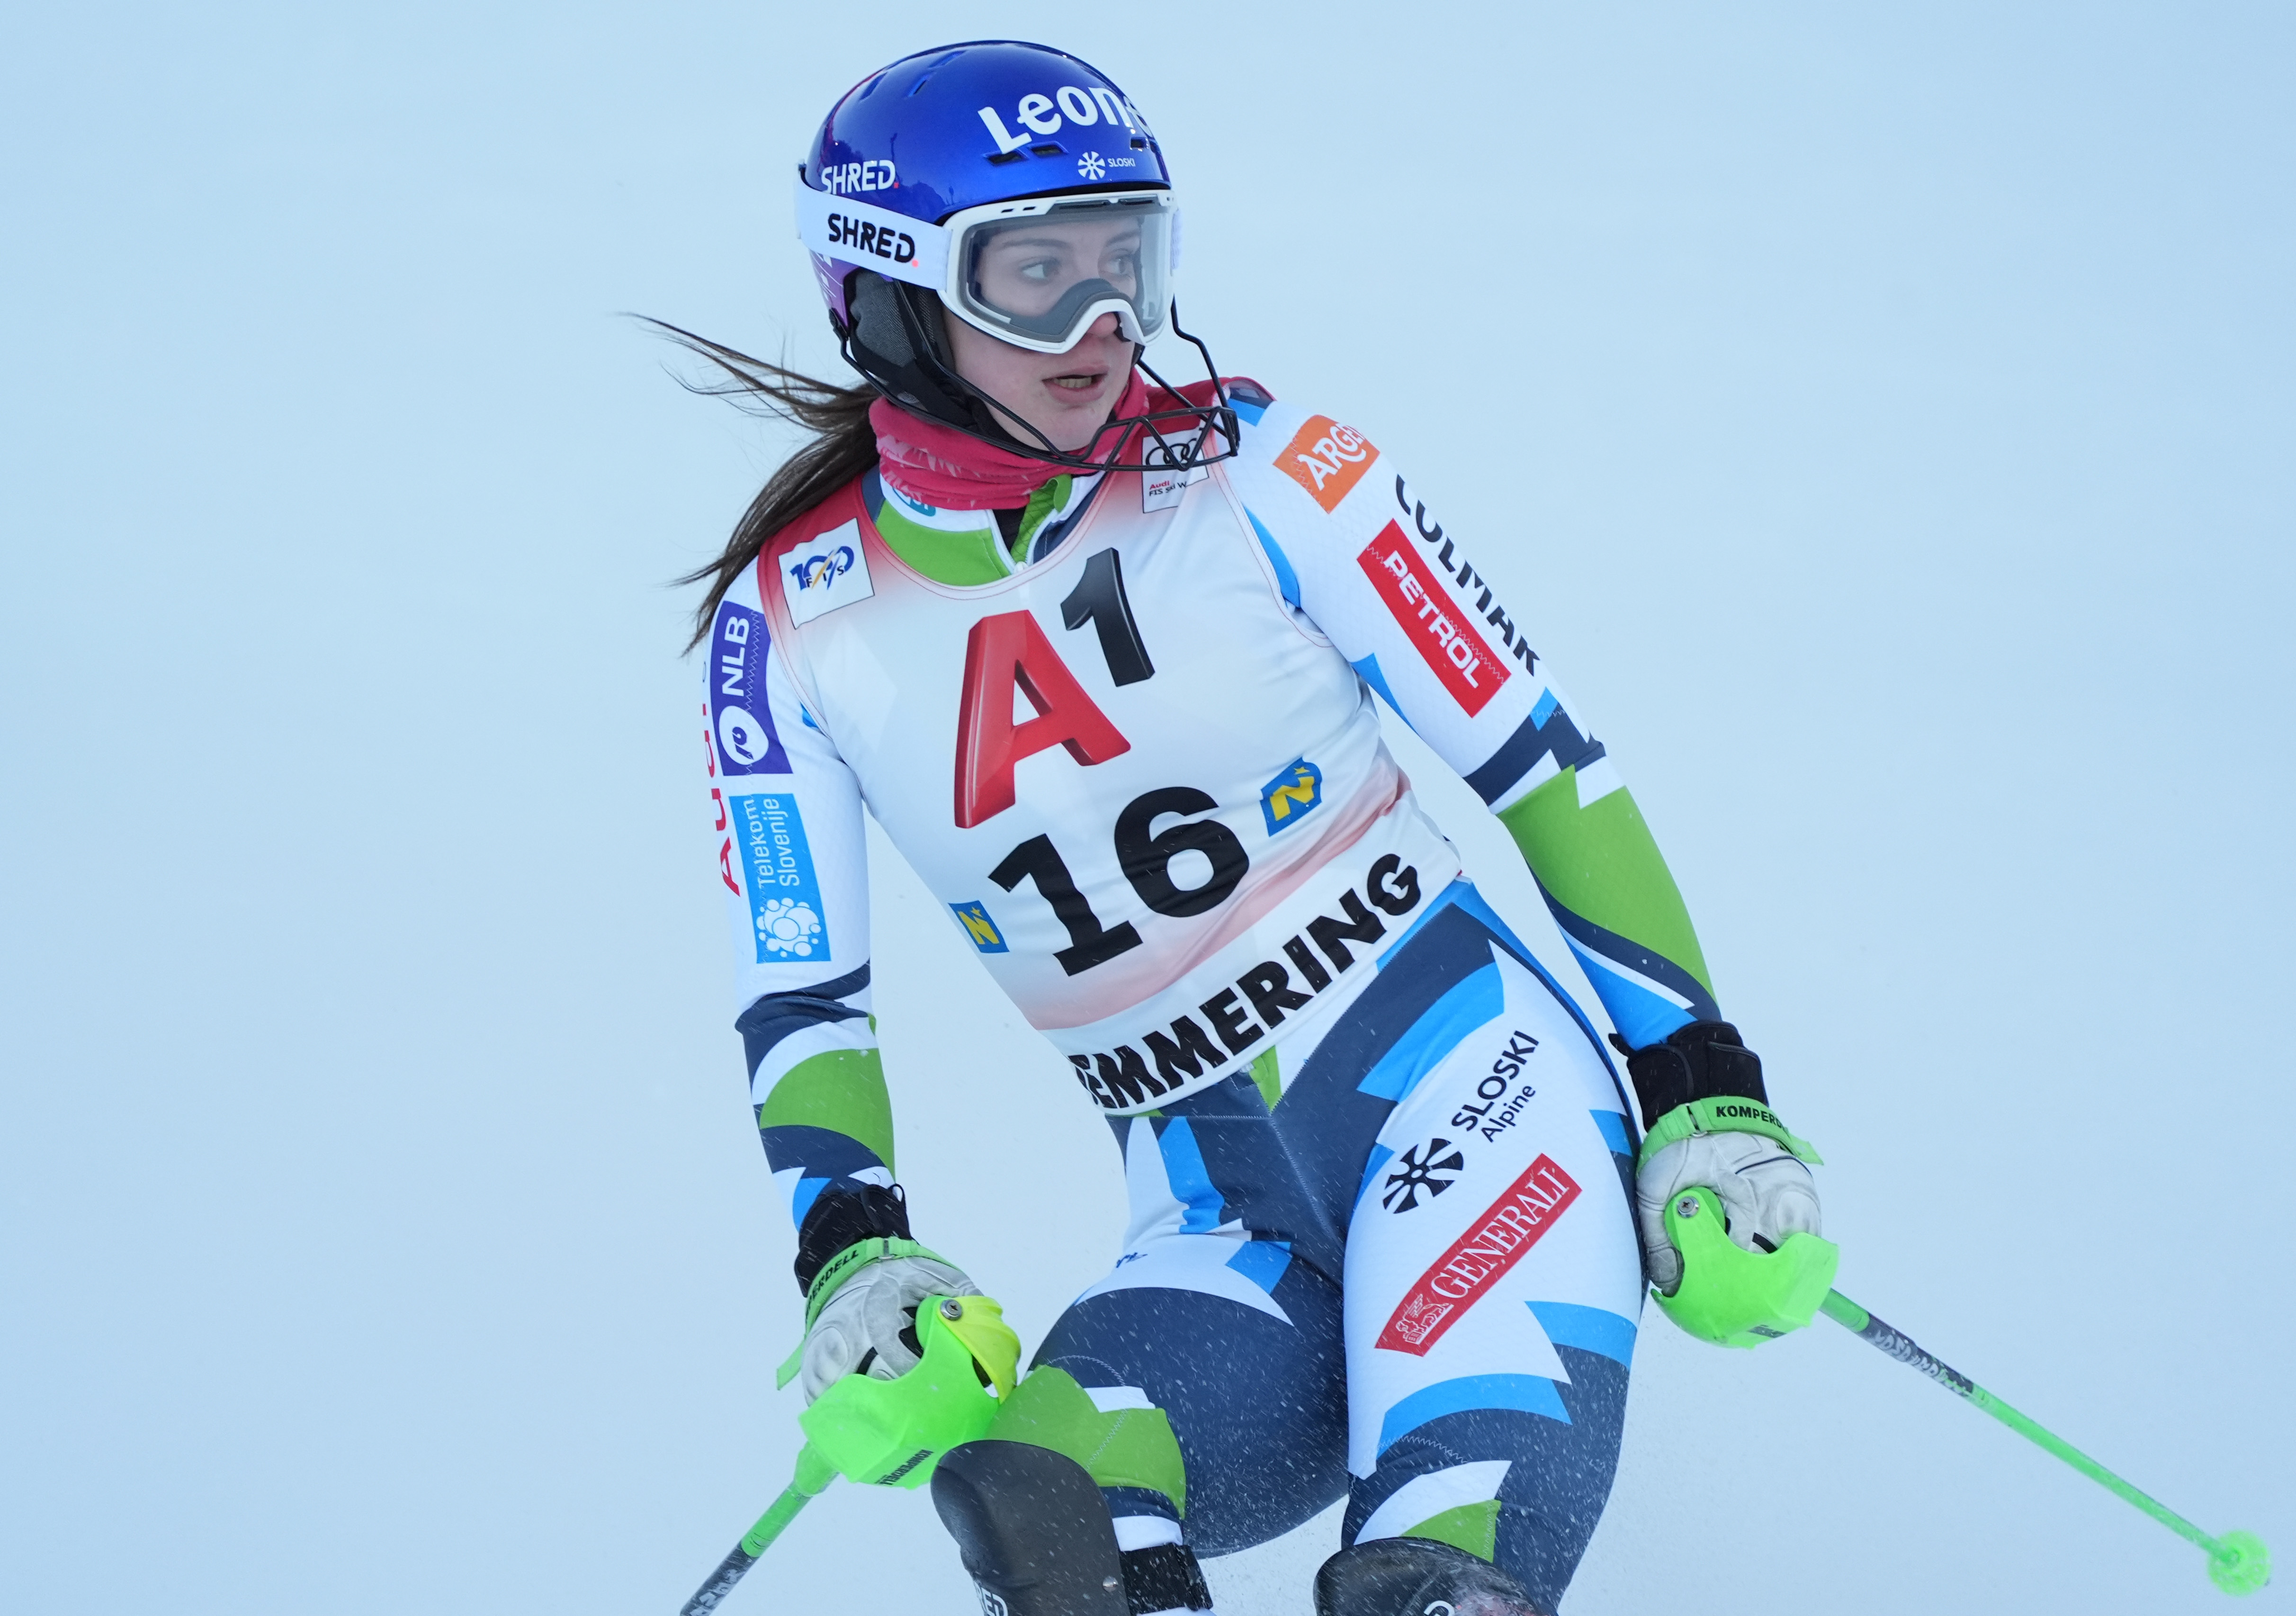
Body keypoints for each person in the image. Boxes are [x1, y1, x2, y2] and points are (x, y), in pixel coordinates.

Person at [672, 39, 1827, 1616]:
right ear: (891, 295)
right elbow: (805, 992)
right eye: (1034, 277)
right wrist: (857, 1254)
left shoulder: (1274, 473)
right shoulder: (790, 630)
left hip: (1484, 1117)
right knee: (1047, 1506)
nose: (1099, 329)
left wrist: (1703, 1087)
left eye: (1124, 264)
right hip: (1222, 1229)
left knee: (1434, 1591)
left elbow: (1540, 764)